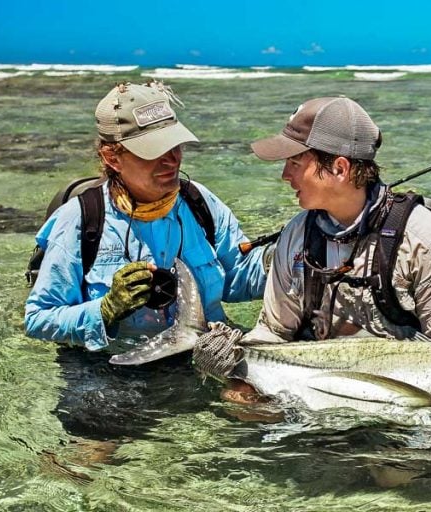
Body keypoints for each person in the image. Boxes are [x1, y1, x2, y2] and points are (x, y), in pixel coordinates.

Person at [25, 81, 268, 351]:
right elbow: (38, 319)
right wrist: (105, 310)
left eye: (175, 144)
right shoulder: (79, 219)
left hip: (203, 356)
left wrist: (288, 255)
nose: (172, 159)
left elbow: (240, 278)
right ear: (112, 157)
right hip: (111, 372)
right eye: (154, 150)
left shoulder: (199, 202)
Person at [244, 96, 431, 345]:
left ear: (340, 168)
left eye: (294, 163)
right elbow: (273, 333)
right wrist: (240, 364)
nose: (285, 175)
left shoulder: (425, 239)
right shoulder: (296, 234)